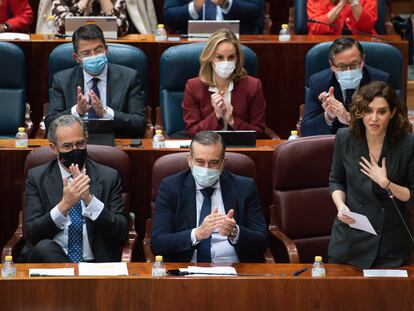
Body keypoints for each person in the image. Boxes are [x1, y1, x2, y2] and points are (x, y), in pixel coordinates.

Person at [328, 81, 414, 269]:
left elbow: (412, 194)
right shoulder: (344, 137)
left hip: (390, 242)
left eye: (381, 112)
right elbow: (336, 180)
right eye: (368, 111)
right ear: (360, 112)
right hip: (350, 239)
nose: (374, 118)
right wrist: (341, 206)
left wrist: (386, 183)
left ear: (392, 113)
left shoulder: (407, 144)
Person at [21, 115, 128, 263]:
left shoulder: (108, 176)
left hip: (95, 263)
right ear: (53, 148)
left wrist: (90, 201)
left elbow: (120, 232)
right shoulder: (37, 177)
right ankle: (75, 278)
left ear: (87, 139)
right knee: (44, 248)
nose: (75, 150)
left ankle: (76, 281)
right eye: (67, 146)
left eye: (80, 144)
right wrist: (64, 206)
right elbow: (33, 233)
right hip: (52, 262)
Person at [151, 131, 267, 263]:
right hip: (186, 272)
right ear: (190, 160)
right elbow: (158, 243)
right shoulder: (171, 187)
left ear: (223, 163)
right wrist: (197, 234)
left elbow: (262, 241)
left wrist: (235, 232)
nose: (206, 169)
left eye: (213, 163)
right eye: (200, 162)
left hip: (234, 270)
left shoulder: (244, 188)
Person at [46, 24, 147, 138]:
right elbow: (50, 123)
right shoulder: (62, 80)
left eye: (98, 50)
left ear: (106, 50)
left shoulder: (129, 77)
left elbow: (139, 123)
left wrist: (106, 114)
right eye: (86, 53)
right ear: (77, 58)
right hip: (75, 143)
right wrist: (77, 111)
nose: (94, 56)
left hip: (115, 145)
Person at [182, 29, 266, 137]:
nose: (226, 62)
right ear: (210, 58)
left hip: (240, 149)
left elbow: (258, 132)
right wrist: (217, 115)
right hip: (206, 151)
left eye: (231, 57)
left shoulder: (253, 86)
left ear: (237, 58)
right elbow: (192, 133)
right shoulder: (193, 86)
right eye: (220, 57)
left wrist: (232, 121)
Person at [301, 37, 389, 137]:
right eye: (342, 66)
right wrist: (328, 116)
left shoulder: (380, 82)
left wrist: (348, 118)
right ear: (332, 65)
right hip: (332, 147)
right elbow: (306, 131)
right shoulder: (319, 83)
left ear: (363, 61)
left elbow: (392, 127)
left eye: (354, 65)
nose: (348, 71)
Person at [163, 0, 263, 34]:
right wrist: (193, 7)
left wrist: (227, 3)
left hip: (235, 41)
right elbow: (169, 16)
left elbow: (256, 10)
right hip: (191, 42)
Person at [52, 0, 129, 36]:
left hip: (107, 45)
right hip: (71, 45)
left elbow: (121, 29)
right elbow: (61, 27)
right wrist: (82, 4)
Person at [307, 0, 377, 35]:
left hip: (362, 44)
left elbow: (368, 26)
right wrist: (341, 4)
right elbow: (315, 27)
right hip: (328, 45)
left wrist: (354, 2)